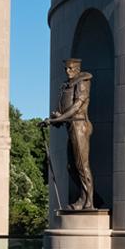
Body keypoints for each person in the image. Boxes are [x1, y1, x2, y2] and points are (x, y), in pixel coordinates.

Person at [42, 58, 95, 210]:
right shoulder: (66, 86)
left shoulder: (83, 82)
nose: (68, 71)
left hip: (79, 125)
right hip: (71, 125)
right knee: (71, 166)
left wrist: (58, 118)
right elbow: (64, 110)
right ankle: (83, 198)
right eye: (66, 69)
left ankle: (89, 201)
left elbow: (76, 107)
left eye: (71, 68)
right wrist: (54, 118)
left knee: (82, 165)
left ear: (77, 69)